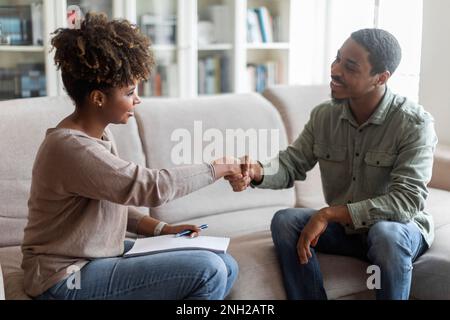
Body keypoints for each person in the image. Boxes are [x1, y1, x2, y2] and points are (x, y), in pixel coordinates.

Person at [21, 13, 240, 300]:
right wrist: (219, 167)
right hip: (64, 276)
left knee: (227, 264)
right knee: (208, 268)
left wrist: (164, 229)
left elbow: (112, 204)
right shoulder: (71, 148)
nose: (137, 100)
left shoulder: (96, 136)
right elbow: (150, 187)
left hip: (97, 256)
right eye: (129, 92)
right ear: (98, 98)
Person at [227, 28, 438, 300]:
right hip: (350, 232)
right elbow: (291, 164)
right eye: (337, 59)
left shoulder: (414, 124)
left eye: (349, 66)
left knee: (385, 233)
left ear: (381, 77)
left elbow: (406, 203)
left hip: (397, 229)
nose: (335, 70)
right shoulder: (324, 116)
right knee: (286, 221)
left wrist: (328, 214)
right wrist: (255, 172)